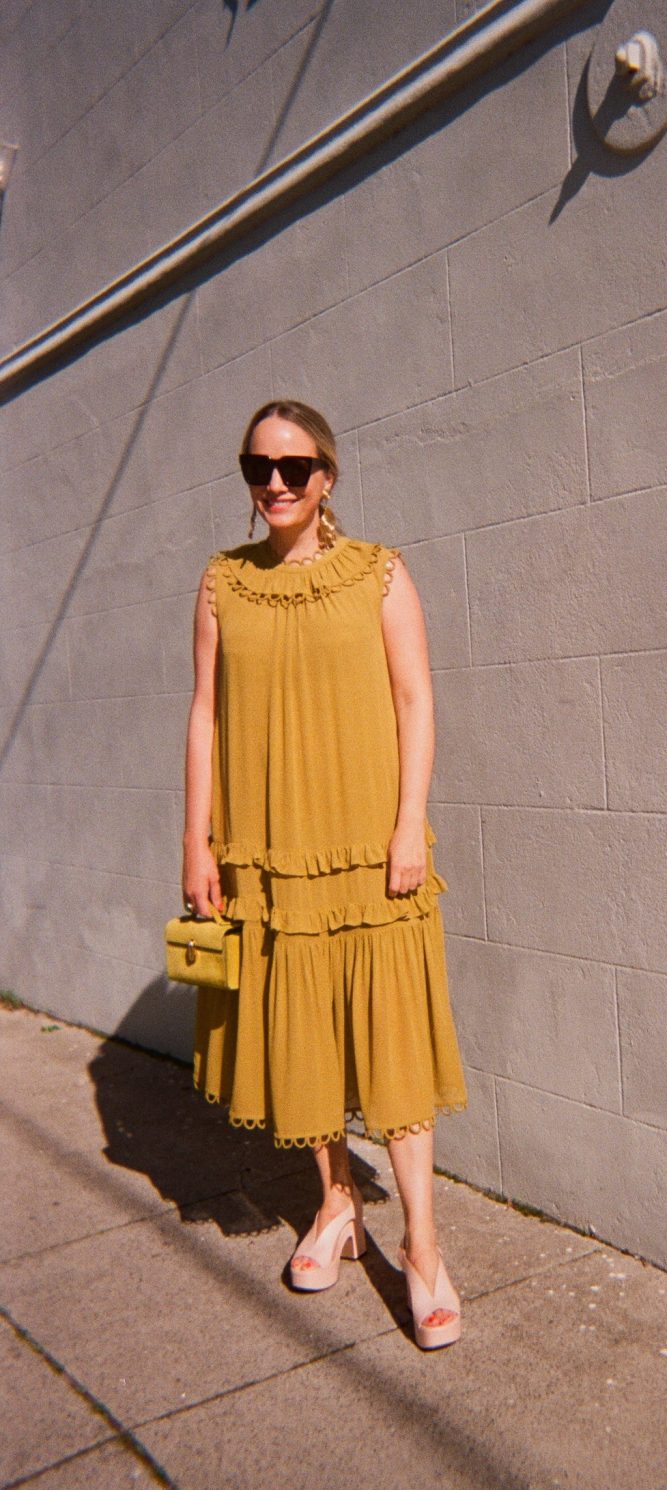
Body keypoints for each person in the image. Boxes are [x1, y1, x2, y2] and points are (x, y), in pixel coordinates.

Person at [182, 399, 467, 1350]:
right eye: (257, 467)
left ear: (326, 477)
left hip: (370, 846)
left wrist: (409, 825)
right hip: (268, 848)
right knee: (303, 1032)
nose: (274, 484)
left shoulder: (379, 573)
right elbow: (205, 715)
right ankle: (337, 1204)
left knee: (393, 1043)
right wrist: (195, 842)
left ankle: (422, 1245)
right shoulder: (222, 584)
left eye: (293, 468)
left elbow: (416, 700)